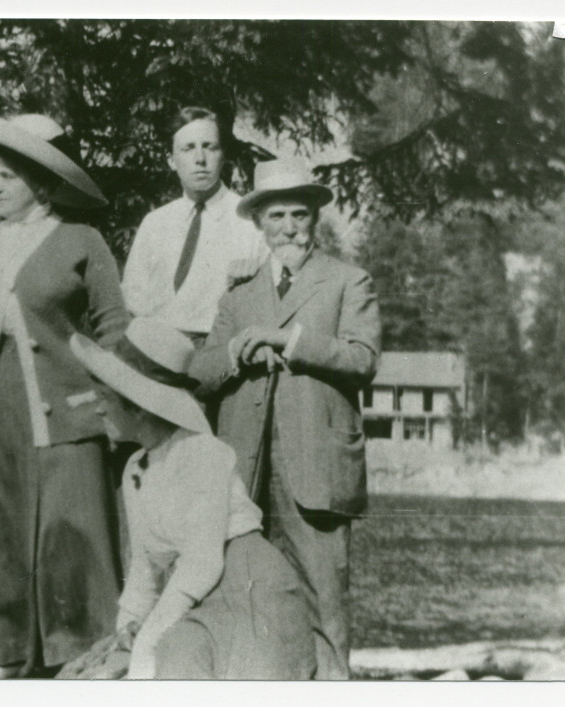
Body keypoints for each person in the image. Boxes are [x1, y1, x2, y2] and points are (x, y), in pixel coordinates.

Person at [0, 113, 128, 678]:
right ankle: (6, 653)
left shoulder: (81, 241)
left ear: (41, 183)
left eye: (7, 176)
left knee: (71, 538)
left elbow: (114, 328)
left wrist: (109, 401)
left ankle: (79, 656)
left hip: (69, 418)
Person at [189, 158, 382, 680]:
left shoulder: (348, 280)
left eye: (300, 214)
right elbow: (199, 373)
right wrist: (235, 353)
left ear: (315, 217)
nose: (290, 227)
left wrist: (288, 342)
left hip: (316, 471)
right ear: (259, 223)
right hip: (244, 476)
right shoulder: (237, 297)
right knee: (248, 605)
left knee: (324, 608)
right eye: (277, 217)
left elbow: (363, 359)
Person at [69, 318, 316, 680]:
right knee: (126, 664)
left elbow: (202, 562)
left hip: (250, 594)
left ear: (138, 406)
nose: (98, 409)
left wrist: (148, 640)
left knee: (172, 659)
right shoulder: (136, 468)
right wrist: (127, 633)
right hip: (196, 594)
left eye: (105, 398)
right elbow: (144, 570)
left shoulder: (203, 453)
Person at [121, 106, 267, 348]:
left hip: (218, 351)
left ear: (223, 155)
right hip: (153, 349)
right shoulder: (155, 223)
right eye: (188, 148)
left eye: (209, 147)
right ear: (171, 160)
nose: (200, 159)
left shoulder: (250, 223)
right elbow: (131, 299)